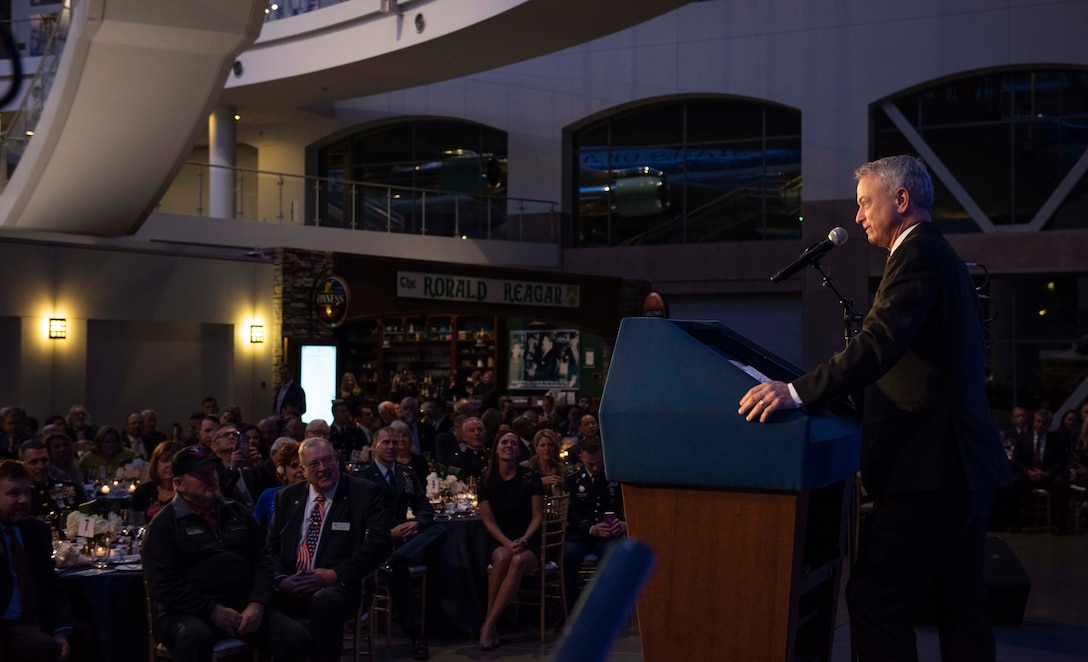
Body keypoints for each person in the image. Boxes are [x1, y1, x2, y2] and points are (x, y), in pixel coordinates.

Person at [739, 156, 1011, 662]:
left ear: (901, 200)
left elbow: (879, 343)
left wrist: (797, 392)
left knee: (873, 598)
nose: (860, 215)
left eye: (867, 202)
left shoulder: (918, 256)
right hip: (960, 465)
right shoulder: (941, 256)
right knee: (960, 604)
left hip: (932, 470)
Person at [142, 446, 309, 662]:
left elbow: (263, 562)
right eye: (199, 474)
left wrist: (257, 604)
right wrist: (212, 611)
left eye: (212, 472)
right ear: (178, 483)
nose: (210, 478)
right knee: (194, 639)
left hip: (245, 606)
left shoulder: (237, 513)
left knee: (296, 637)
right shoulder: (164, 525)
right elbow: (163, 584)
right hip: (188, 612)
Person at [267, 438, 392, 662]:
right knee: (255, 600)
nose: (323, 468)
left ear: (337, 460)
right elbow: (271, 548)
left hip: (339, 586)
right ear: (303, 470)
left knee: (325, 601)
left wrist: (334, 574)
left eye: (327, 460)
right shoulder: (287, 497)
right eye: (314, 464)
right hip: (289, 585)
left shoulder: (363, 493)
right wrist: (281, 580)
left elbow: (379, 544)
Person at [355, 427, 447, 661]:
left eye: (395, 443)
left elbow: (424, 507)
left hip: (405, 538)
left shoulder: (407, 473)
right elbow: (358, 520)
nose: (391, 447)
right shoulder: (361, 477)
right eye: (386, 442)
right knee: (400, 571)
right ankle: (417, 634)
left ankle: (395, 559)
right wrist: (388, 533)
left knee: (439, 530)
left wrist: (416, 523)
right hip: (379, 539)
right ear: (375, 445)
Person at [0, 460, 76, 662]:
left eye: (27, 492)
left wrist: (60, 629)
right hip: (6, 626)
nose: (24, 500)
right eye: (14, 493)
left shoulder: (35, 530)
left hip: (37, 619)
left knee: (91, 633)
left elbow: (52, 583)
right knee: (43, 647)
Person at [476, 432, 544, 651]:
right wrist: (507, 542)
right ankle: (492, 623)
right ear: (496, 448)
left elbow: (537, 517)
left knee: (516, 561)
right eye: (504, 442)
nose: (509, 446)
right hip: (501, 539)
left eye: (514, 443)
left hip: (529, 540)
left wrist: (523, 540)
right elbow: (488, 521)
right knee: (503, 556)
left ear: (518, 450)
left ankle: (488, 625)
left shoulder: (529, 476)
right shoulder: (485, 478)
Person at [562, 438, 625, 607]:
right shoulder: (573, 480)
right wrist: (591, 528)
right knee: (567, 554)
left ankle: (608, 606)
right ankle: (573, 608)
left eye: (599, 462)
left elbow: (624, 506)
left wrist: (623, 524)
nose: (596, 468)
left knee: (613, 554)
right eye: (591, 464)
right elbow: (571, 513)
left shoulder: (614, 477)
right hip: (582, 534)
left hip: (607, 535)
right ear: (581, 457)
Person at [1010, 409, 1069, 533]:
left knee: (1061, 483)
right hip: (1028, 474)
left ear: (1048, 425)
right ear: (1033, 422)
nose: (1040, 425)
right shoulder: (1023, 438)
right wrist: (1027, 472)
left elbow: (1061, 462)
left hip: (1047, 475)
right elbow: (1017, 460)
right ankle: (1015, 523)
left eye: (1044, 423)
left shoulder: (1056, 440)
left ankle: (1059, 524)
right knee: (1015, 482)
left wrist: (1046, 473)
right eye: (1038, 422)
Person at [252, 441, 302, 531]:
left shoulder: (318, 496)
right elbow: (255, 530)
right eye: (294, 466)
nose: (300, 470)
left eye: (304, 466)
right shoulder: (269, 495)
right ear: (282, 470)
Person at [131, 442, 181, 523]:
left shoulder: (187, 493)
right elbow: (132, 521)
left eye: (174, 461)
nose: (169, 465)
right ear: (155, 464)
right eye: (165, 461)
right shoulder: (143, 491)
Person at [520, 429, 570, 497]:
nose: (547, 449)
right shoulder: (525, 467)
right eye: (542, 445)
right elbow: (518, 489)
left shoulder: (563, 470)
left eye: (550, 445)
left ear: (555, 448)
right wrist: (539, 482)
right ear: (536, 448)